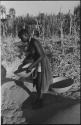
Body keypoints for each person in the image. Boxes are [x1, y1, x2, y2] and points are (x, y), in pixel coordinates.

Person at [15, 28, 53, 107]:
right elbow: (32, 54)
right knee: (37, 81)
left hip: (41, 63)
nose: (21, 39)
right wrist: (25, 62)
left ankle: (40, 101)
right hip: (36, 63)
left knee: (40, 82)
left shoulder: (35, 42)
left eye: (21, 37)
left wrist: (31, 66)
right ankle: (39, 98)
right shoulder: (30, 42)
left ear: (26, 35)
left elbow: (42, 55)